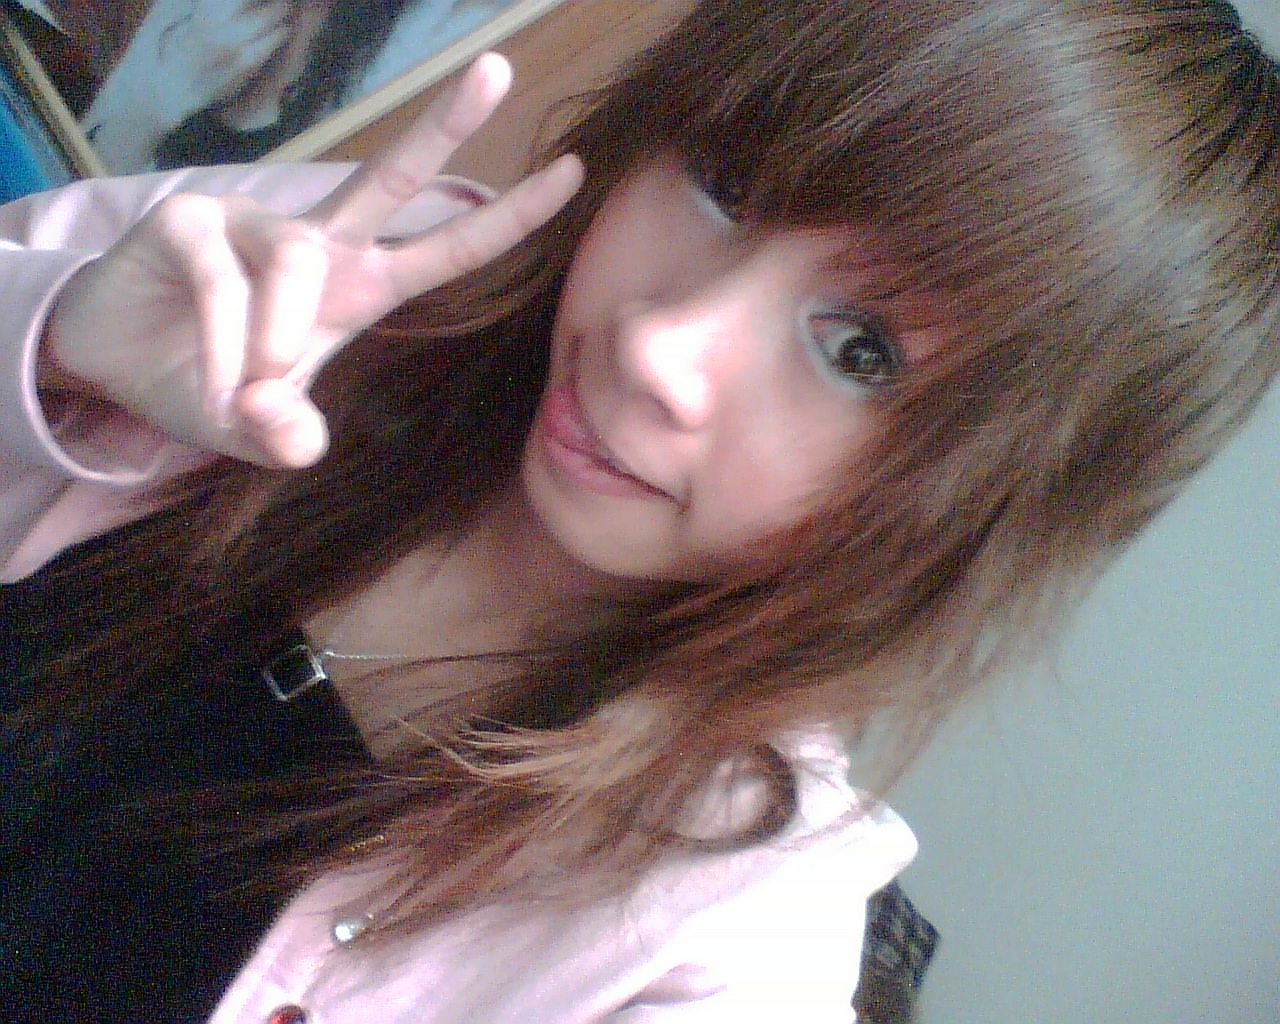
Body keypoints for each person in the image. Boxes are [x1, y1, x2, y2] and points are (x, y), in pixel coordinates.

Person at [1, 0, 1276, 1020]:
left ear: (988, 499)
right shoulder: (348, 268)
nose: (659, 344)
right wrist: (55, 350)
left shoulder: (721, 926)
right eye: (722, 180)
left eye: (861, 351)